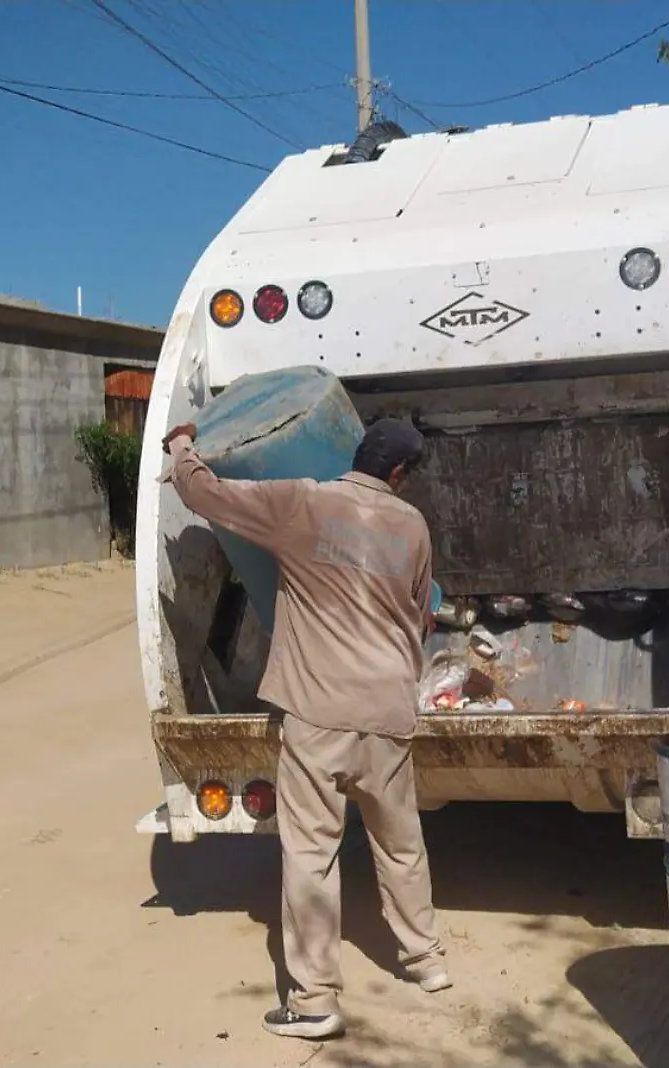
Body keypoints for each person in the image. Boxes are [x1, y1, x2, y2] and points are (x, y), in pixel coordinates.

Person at [160, 416, 449, 1042]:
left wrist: (182, 445)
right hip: (390, 713)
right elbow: (425, 614)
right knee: (401, 843)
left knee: (313, 855)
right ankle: (426, 961)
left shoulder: (304, 503)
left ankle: (315, 1001)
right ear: (399, 474)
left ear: (359, 454)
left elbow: (204, 493)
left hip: (320, 716)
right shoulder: (413, 527)